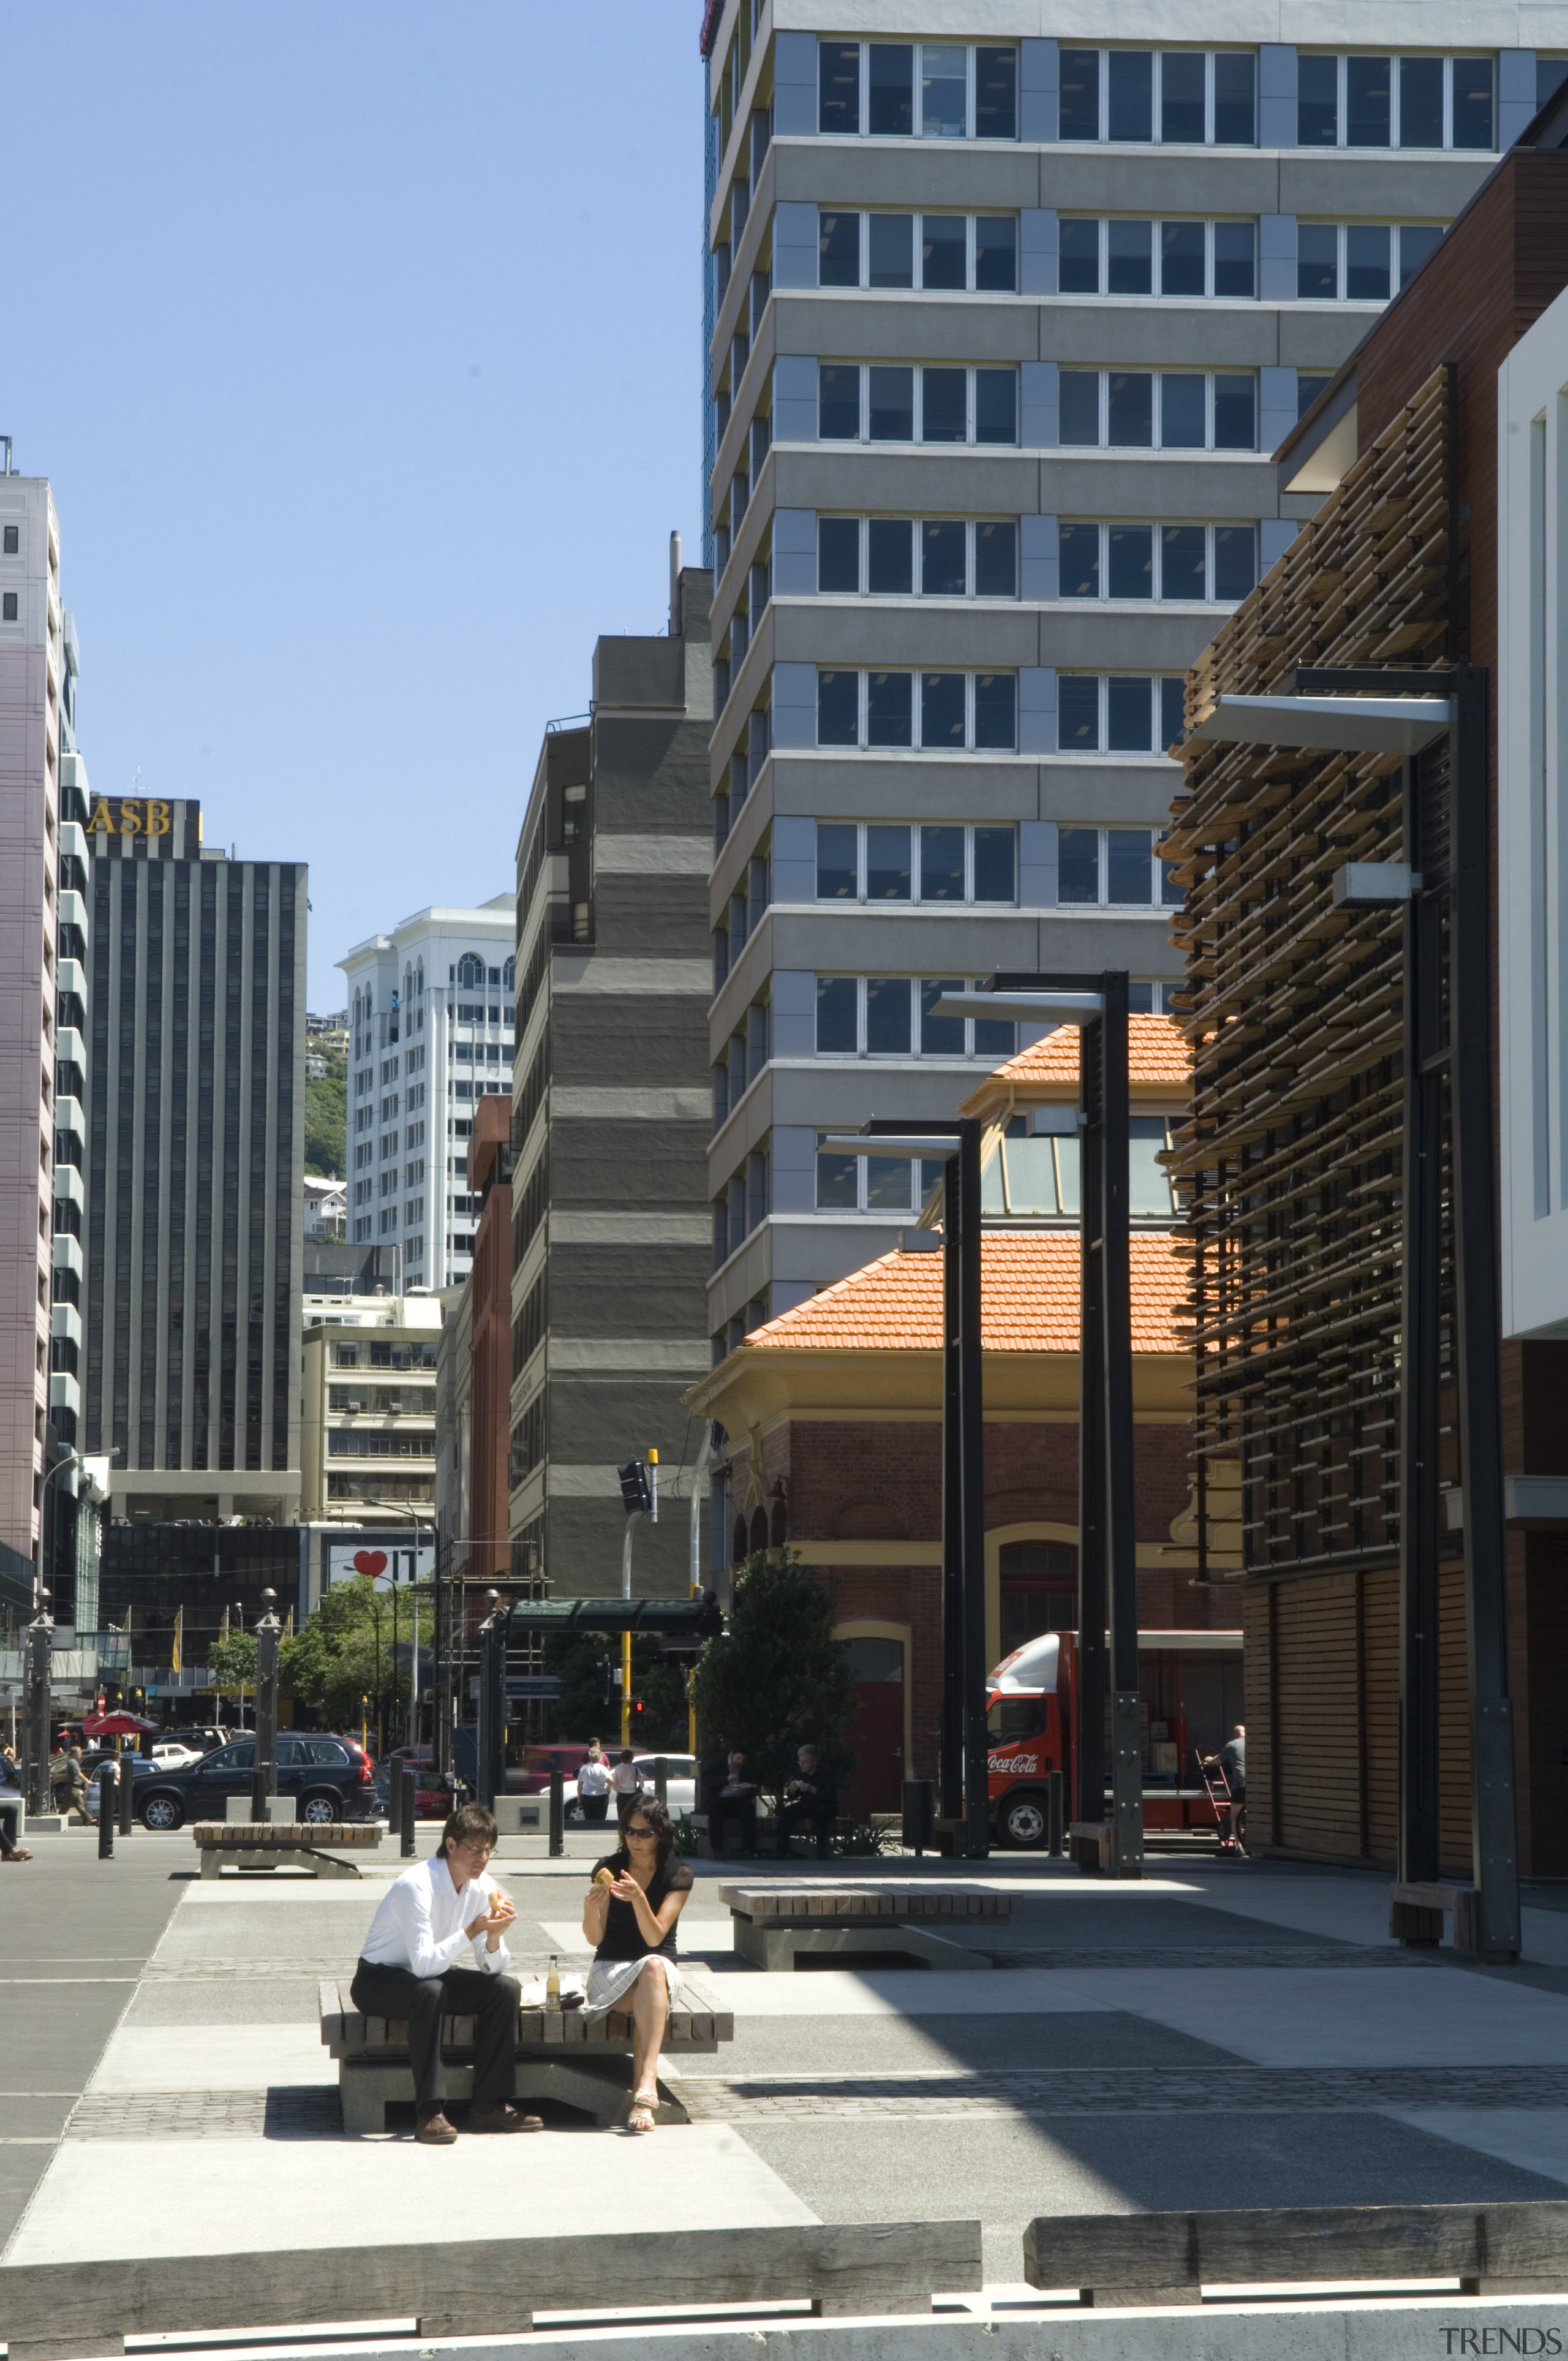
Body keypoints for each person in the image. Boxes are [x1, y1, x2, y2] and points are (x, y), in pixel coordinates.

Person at [350, 1800, 543, 2145]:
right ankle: (430, 2113)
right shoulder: (417, 1884)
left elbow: (490, 1966)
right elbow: (423, 1966)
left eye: (488, 1851)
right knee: (431, 1992)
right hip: (379, 1979)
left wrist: (495, 1939)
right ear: (451, 1844)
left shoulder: (484, 1887)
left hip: (432, 1973)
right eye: (474, 1849)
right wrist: (470, 1932)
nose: (482, 1858)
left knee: (505, 1989)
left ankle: (488, 2106)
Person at [581, 1796, 692, 2133]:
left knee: (653, 1969)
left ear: (660, 1834)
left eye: (644, 1833)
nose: (635, 1839)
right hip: (610, 1970)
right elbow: (594, 1938)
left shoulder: (678, 1873)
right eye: (629, 1831)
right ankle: (646, 2089)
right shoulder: (608, 1868)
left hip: (658, 1972)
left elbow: (655, 1937)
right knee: (650, 1988)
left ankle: (643, 2091)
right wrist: (590, 1908)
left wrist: (639, 1899)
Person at [775, 1745, 839, 1860]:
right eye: (800, 1762)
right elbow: (793, 1796)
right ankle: (781, 1850)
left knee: (822, 1814)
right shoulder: (799, 1773)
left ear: (814, 1763)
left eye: (805, 1762)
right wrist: (792, 1791)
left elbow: (830, 1795)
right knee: (785, 1813)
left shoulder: (826, 1773)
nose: (802, 1765)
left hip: (825, 1804)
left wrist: (812, 1789)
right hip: (807, 1804)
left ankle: (821, 1849)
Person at [704, 1749, 758, 1858]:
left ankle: (748, 1849)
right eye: (738, 1758)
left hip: (737, 1799)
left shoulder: (746, 1769)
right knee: (715, 1809)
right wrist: (726, 1779)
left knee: (749, 1808)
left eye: (743, 1760)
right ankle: (717, 1849)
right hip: (719, 1798)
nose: (740, 1762)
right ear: (732, 1755)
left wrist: (746, 1790)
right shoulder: (717, 1763)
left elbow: (753, 1788)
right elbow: (706, 1780)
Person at [1204, 1724, 1246, 1849]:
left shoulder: (1232, 1744)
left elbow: (1217, 1761)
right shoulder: (1254, 1743)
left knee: (1235, 1815)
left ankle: (1239, 1846)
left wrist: (1209, 1760)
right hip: (1257, 1785)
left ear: (1235, 1735)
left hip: (1240, 1784)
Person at [576, 1740, 612, 1826]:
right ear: (600, 1757)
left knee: (589, 1819)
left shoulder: (584, 1768)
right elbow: (611, 1781)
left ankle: (589, 1833)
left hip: (587, 1795)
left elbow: (580, 1785)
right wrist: (608, 1789)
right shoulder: (603, 1768)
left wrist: (579, 1797)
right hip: (601, 1795)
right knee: (600, 1819)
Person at [609, 1747, 643, 1826]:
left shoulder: (618, 1769)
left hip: (621, 1795)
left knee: (622, 1817)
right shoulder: (635, 1769)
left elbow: (615, 1783)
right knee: (632, 1817)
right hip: (633, 1795)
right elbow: (641, 1783)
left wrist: (618, 1790)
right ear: (632, 1758)